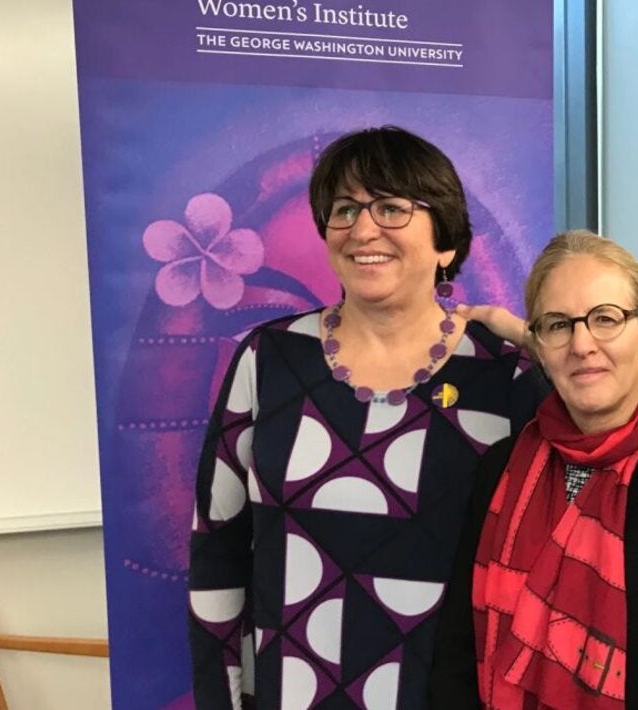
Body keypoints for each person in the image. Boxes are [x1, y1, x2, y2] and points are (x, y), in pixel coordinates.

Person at [188, 126, 548, 709]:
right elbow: (218, 551)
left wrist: (549, 349)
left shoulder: (504, 375)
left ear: (446, 242)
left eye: (390, 207)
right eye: (345, 208)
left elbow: (548, 563)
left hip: (449, 694)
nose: (362, 228)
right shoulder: (269, 358)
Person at [427, 230, 638, 709]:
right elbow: (457, 653)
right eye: (558, 325)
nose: (582, 344)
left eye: (606, 319)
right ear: (537, 343)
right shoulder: (502, 468)